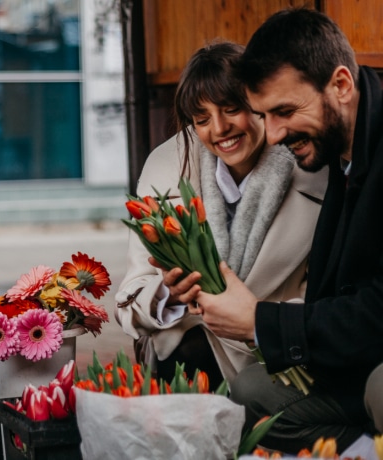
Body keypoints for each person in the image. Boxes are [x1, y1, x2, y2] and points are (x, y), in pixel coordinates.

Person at [191, 7, 383, 454]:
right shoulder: (342, 139)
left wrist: (262, 321)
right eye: (264, 115)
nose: (274, 134)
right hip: (358, 356)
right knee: (253, 392)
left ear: (340, 84)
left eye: (284, 111)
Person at [114, 41, 327, 391]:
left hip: (277, 359)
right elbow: (130, 299)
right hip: (188, 360)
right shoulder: (167, 168)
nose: (220, 129)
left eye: (232, 109)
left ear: (259, 102)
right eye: (202, 119)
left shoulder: (312, 169)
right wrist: (168, 294)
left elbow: (324, 294)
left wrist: (259, 323)